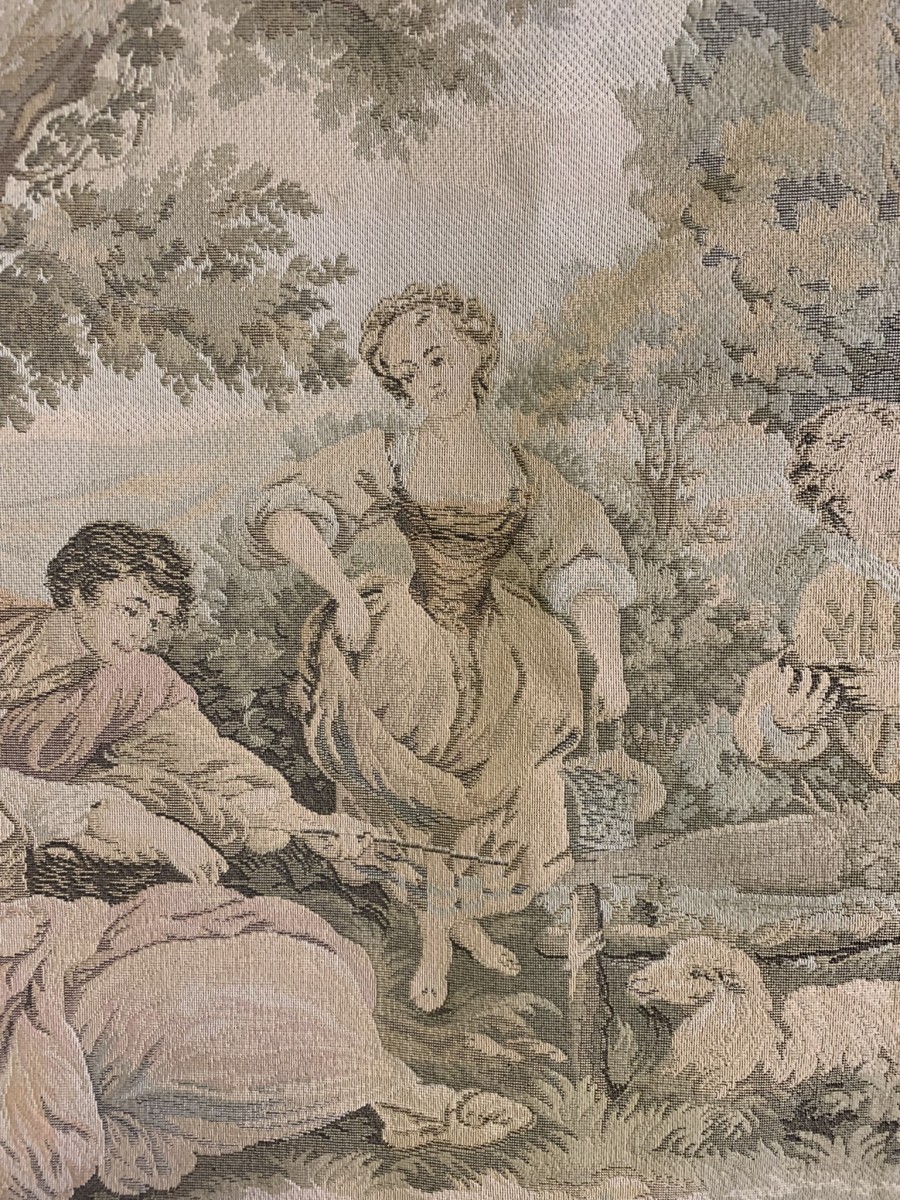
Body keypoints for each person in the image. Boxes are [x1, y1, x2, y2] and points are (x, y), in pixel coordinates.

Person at [247, 284, 636, 1009]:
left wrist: (607, 663)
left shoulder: (522, 470)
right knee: (422, 778)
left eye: (437, 357)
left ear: (476, 352)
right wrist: (340, 593)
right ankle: (434, 935)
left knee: (507, 779)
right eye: (407, 370)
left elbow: (584, 560)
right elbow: (285, 514)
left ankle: (457, 918)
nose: (427, 378)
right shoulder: (391, 454)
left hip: (505, 646)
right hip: (410, 641)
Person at [0, 881, 534, 1198]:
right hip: (82, 1020)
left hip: (83, 987)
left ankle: (412, 1098)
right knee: (206, 1028)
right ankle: (414, 1100)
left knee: (267, 1007)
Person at [0, 521, 374, 895]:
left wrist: (306, 823)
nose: (140, 633)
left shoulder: (136, 680)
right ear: (80, 593)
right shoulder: (8, 620)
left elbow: (210, 764)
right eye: (131, 610)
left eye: (155, 622)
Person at [734, 398, 900, 781]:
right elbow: (776, 705)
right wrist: (783, 722)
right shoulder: (834, 598)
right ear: (842, 505)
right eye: (887, 474)